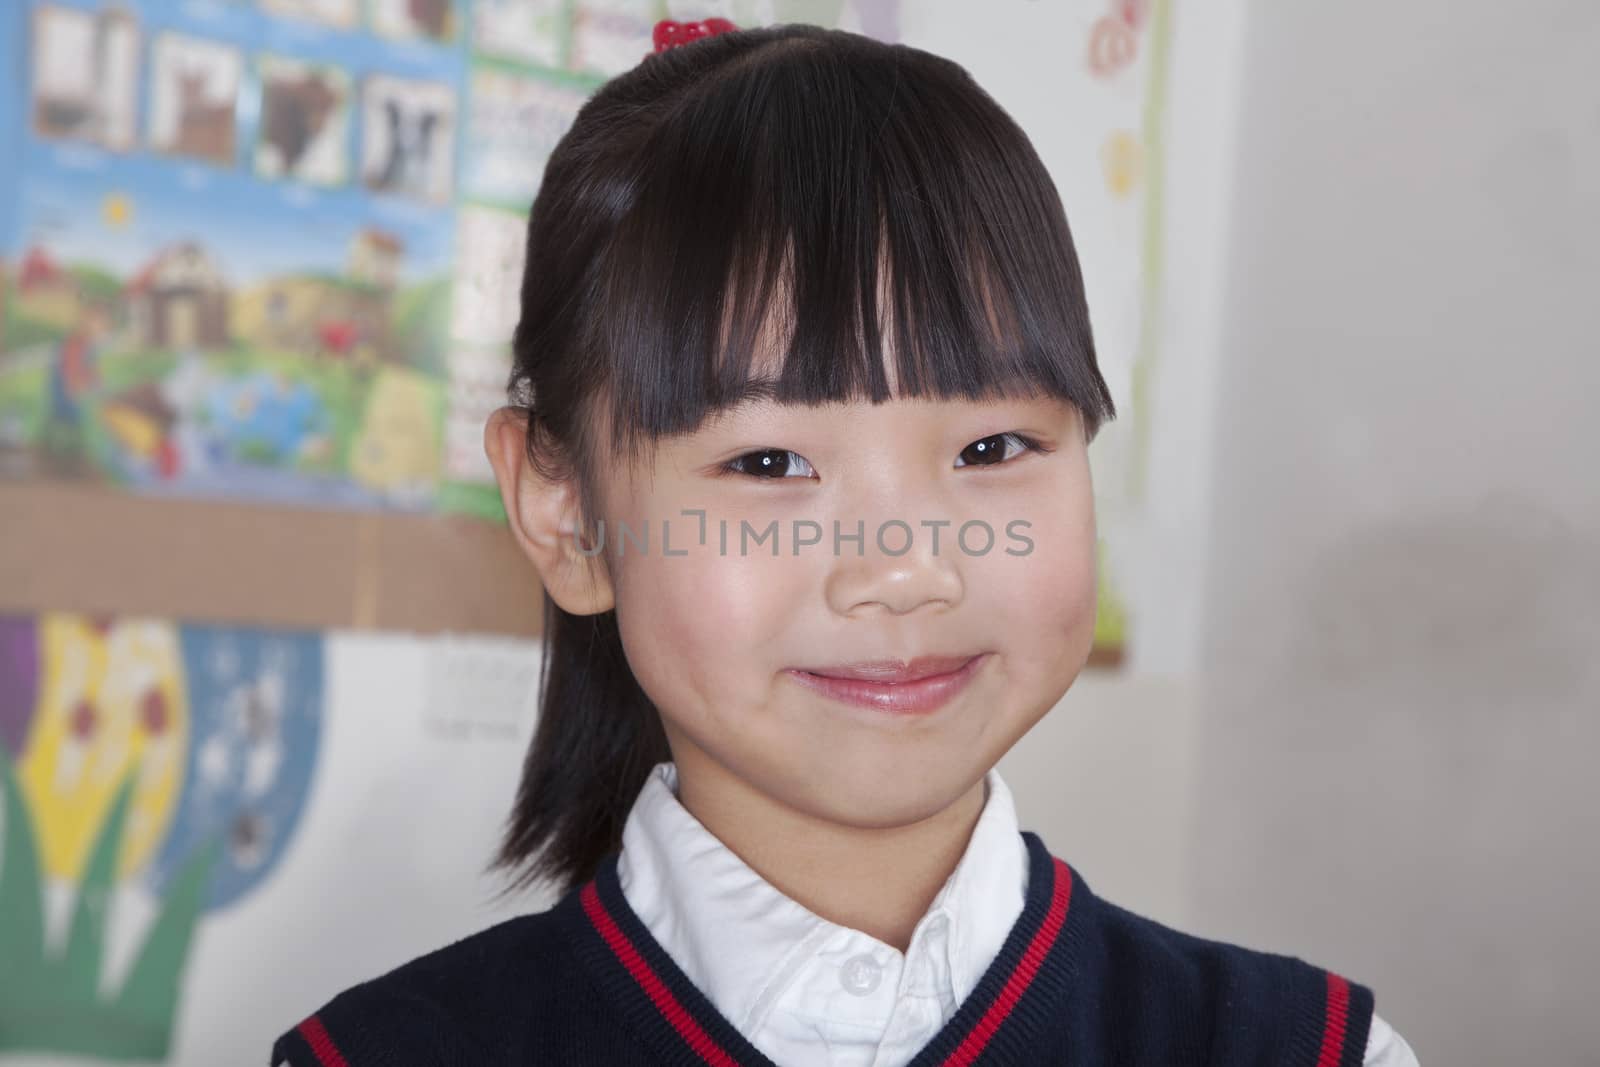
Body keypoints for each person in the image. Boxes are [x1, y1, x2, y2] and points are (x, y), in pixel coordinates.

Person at [270, 20, 1419, 1066]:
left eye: (992, 446)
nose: (906, 567)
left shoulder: (1310, 1050)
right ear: (566, 514)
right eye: (769, 463)